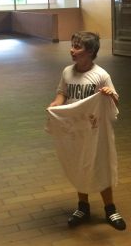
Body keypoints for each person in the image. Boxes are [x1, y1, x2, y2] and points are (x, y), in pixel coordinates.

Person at [48, 31, 126, 230]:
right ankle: (83, 206)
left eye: (77, 47)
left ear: (90, 51)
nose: (72, 50)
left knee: (100, 165)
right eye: (72, 46)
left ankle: (110, 208)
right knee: (79, 164)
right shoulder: (67, 72)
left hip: (96, 130)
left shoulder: (101, 75)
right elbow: (62, 93)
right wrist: (56, 105)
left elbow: (115, 102)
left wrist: (110, 95)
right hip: (75, 129)